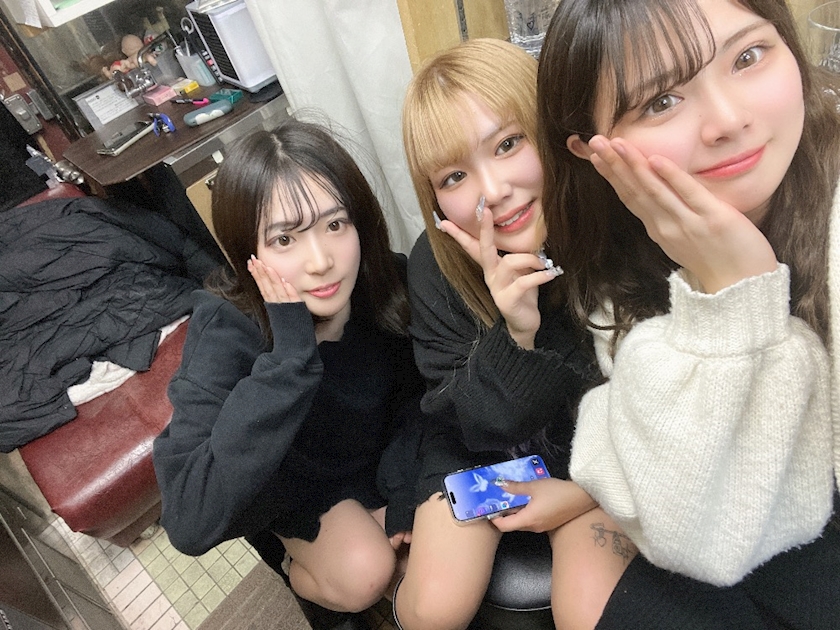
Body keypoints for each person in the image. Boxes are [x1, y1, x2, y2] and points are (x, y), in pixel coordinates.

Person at [537, 0, 840, 627]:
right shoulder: (617, 263)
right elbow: (696, 534)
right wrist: (735, 291)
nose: (728, 120)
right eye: (662, 102)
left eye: (748, 56)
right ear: (591, 151)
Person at [396, 38, 637, 630]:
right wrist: (516, 334)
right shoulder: (436, 264)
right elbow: (468, 423)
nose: (493, 190)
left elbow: (663, 406)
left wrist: (582, 493)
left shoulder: (617, 219)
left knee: (589, 613)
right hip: (484, 445)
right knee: (432, 609)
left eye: (508, 144)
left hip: (596, 454)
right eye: (455, 175)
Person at [152, 119, 424, 620]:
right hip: (298, 487)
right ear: (249, 253)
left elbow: (420, 400)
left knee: (433, 558)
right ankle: (292, 566)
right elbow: (188, 520)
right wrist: (290, 355)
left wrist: (405, 488)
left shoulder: (385, 279)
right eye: (284, 239)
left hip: (381, 458)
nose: (320, 261)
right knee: (366, 572)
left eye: (334, 225)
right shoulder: (227, 328)